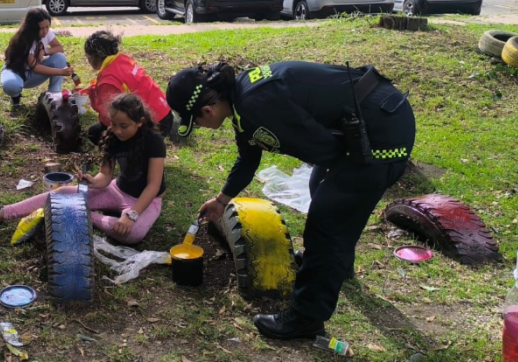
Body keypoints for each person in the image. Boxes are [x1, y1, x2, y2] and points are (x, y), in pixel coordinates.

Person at [165, 61, 416, 341]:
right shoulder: (241, 98)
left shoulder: (254, 106)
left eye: (195, 122)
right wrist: (221, 200)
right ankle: (336, 264)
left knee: (327, 222)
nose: (200, 126)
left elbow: (323, 149)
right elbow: (249, 157)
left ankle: (306, 317)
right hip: (376, 115)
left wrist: (334, 211)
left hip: (382, 132)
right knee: (320, 188)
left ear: (207, 110)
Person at [0, 93, 166, 243]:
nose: (117, 130)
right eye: (114, 124)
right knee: (63, 192)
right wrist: (93, 181)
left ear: (140, 123)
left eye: (124, 126)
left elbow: (153, 186)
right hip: (116, 190)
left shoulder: (153, 141)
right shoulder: (113, 137)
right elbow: (105, 176)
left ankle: (84, 214)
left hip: (146, 200)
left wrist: (132, 215)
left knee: (133, 233)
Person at [82, 30, 172, 145]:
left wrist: (93, 96)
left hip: (154, 124)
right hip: (165, 113)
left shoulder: (107, 81)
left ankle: (125, 153)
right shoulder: (123, 59)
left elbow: (107, 117)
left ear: (93, 58)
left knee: (95, 133)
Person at [0, 8, 73, 109]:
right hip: (17, 72)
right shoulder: (24, 39)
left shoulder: (46, 33)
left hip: (32, 74)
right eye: (41, 28)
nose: (45, 31)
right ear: (32, 28)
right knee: (11, 85)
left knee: (60, 58)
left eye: (47, 27)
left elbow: (59, 48)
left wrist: (45, 50)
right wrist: (61, 72)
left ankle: (54, 95)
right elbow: (34, 67)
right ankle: (15, 99)